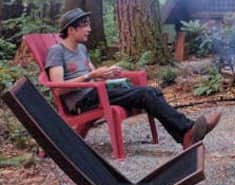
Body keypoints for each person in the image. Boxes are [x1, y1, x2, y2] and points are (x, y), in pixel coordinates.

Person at [46, 8, 221, 149]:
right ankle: (187, 131)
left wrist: (107, 73)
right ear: (71, 29)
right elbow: (59, 87)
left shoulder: (82, 49)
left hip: (98, 92)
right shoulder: (57, 51)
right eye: (85, 25)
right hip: (83, 101)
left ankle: (186, 135)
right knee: (145, 94)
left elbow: (95, 75)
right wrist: (91, 76)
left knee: (151, 91)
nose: (90, 29)